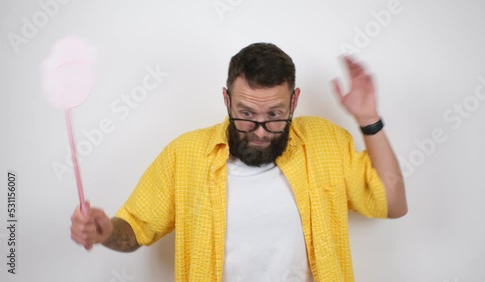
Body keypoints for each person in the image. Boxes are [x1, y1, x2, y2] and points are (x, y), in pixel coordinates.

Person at [70, 42, 407, 282]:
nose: (260, 131)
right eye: (246, 114)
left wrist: (369, 118)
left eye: (274, 115)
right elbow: (135, 231)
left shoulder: (325, 143)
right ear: (226, 100)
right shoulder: (186, 155)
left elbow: (393, 204)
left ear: (294, 102)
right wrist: (106, 231)